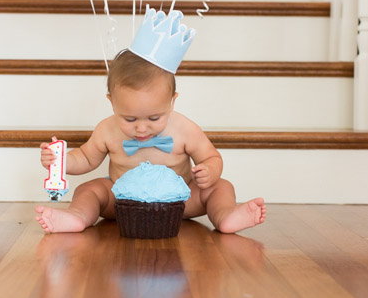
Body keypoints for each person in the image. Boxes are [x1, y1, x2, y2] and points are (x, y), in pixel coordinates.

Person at [35, 48, 266, 235]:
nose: (142, 128)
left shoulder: (184, 128)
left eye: (154, 118)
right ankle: (77, 217)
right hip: (123, 203)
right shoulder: (107, 129)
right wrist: (61, 161)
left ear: (172, 102)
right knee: (90, 189)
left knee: (221, 186)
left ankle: (226, 216)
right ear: (112, 102)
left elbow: (210, 156)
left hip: (179, 202)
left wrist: (210, 171)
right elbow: (86, 158)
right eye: (130, 118)